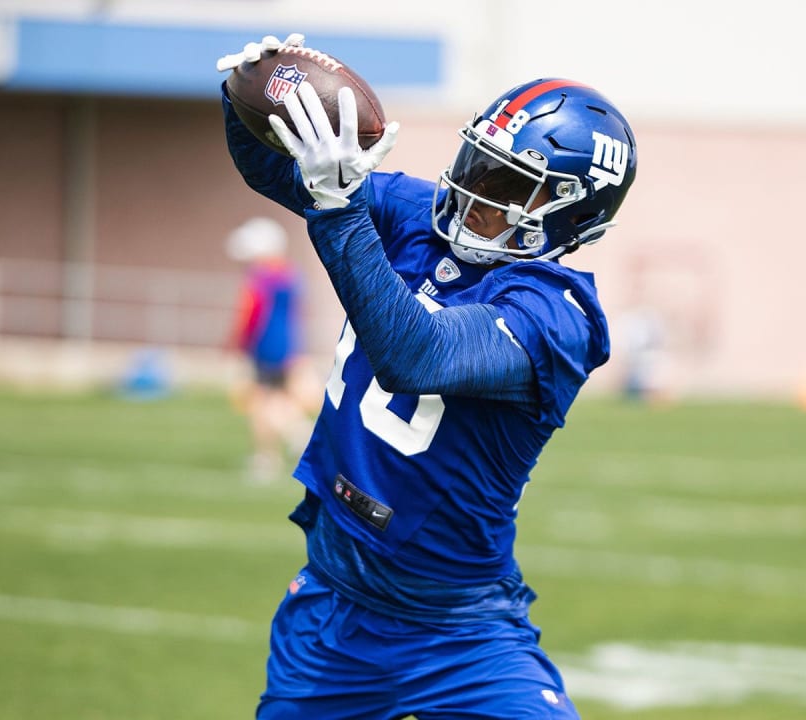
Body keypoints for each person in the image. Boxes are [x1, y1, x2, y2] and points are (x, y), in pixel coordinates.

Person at [218, 33, 637, 719]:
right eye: (477, 163)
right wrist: (250, 90)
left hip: (462, 631)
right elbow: (273, 172)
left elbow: (419, 358)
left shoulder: (559, 316)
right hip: (333, 608)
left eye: (505, 186)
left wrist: (338, 209)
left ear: (568, 212)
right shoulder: (421, 215)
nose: (472, 191)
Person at [224, 216, 315, 482]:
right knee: (277, 400)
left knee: (261, 403)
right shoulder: (291, 275)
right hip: (287, 345)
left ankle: (268, 455)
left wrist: (236, 344)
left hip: (264, 346)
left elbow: (249, 312)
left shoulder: (259, 278)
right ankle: (298, 435)